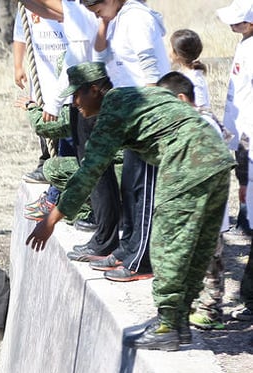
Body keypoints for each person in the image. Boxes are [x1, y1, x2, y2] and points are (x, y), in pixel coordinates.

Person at [26, 62, 235, 351]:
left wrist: (50, 221)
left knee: (166, 245)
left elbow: (88, 173)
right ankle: (177, 323)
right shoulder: (138, 96)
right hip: (217, 157)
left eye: (78, 95)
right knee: (197, 247)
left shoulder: (112, 113)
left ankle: (166, 325)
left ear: (96, 90)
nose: (74, 103)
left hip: (188, 158)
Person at [16, 0, 121, 260]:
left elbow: (77, 59)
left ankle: (108, 235)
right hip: (89, 93)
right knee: (92, 169)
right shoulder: (77, 8)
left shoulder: (89, 10)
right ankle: (104, 234)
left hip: (98, 96)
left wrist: (50, 102)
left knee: (95, 171)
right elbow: (48, 10)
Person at [81, 0, 170, 282]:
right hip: (131, 116)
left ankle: (141, 261)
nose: (94, 14)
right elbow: (99, 56)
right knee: (129, 188)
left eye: (96, 9)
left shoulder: (137, 19)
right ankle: (127, 248)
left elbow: (151, 71)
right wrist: (104, 22)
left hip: (147, 116)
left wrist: (149, 118)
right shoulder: (118, 18)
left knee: (143, 192)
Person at [157, 71, 232, 331]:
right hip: (194, 213)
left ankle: (211, 311)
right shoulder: (190, 123)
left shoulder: (203, 125)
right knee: (194, 261)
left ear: (180, 98)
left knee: (212, 263)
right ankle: (190, 306)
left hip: (208, 212)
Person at [12, 8, 69, 184]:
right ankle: (46, 160)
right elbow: (21, 34)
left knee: (66, 114)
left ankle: (63, 161)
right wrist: (18, 66)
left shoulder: (68, 5)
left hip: (66, 67)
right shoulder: (28, 7)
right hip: (43, 70)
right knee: (42, 111)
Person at [217, 0, 253, 236]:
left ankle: (247, 219)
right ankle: (244, 214)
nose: (231, 24)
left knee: (248, 173)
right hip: (240, 122)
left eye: (236, 21)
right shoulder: (245, 43)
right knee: (241, 171)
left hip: (249, 123)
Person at [169, 29, 211, 109]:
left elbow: (201, 108)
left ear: (178, 54)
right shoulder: (184, 73)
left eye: (171, 47)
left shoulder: (194, 79)